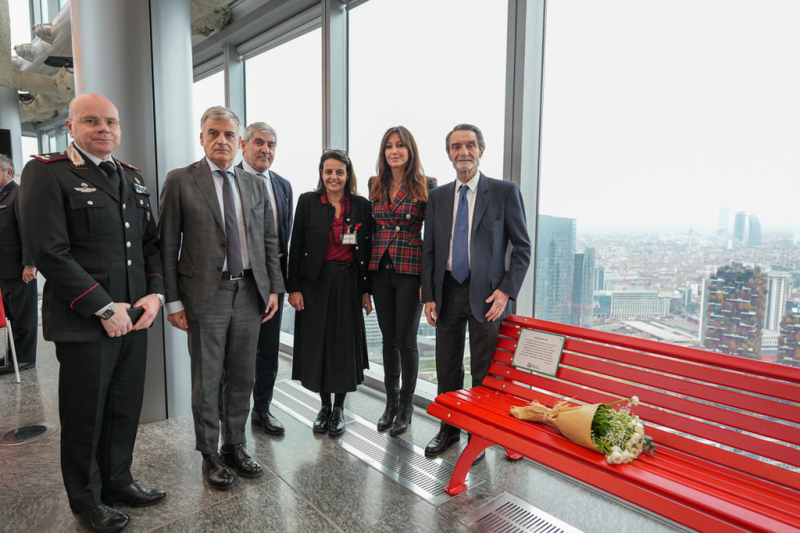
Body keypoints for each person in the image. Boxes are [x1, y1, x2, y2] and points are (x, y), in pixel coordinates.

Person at [20, 93, 166, 533]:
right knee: (86, 414)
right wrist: (103, 307)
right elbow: (50, 252)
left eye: (111, 122)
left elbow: (150, 246)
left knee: (124, 408)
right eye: (92, 121)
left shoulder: (133, 177)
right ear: (70, 127)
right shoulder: (48, 174)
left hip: (135, 318)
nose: (104, 129)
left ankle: (119, 481)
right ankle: (86, 500)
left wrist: (155, 296)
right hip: (87, 322)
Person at [159, 106, 284, 491]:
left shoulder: (255, 185)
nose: (222, 141)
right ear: (202, 138)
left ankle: (235, 445)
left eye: (229, 135)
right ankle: (209, 453)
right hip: (204, 296)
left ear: (240, 142)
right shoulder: (181, 181)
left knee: (242, 376)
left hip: (249, 291)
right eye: (213, 133)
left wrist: (274, 287)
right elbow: (166, 246)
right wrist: (173, 301)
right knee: (207, 379)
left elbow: (268, 242)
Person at [421, 124, 531, 462]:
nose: (463, 152)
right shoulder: (438, 197)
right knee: (447, 367)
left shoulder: (503, 192)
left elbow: (522, 248)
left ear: (481, 150)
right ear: (449, 153)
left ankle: (479, 434)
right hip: (448, 291)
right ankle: (449, 429)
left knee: (484, 372)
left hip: (488, 297)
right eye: (456, 147)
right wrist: (429, 295)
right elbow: (431, 249)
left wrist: (505, 292)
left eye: (470, 145)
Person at [287, 150, 372, 437]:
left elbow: (367, 251)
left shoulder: (360, 205)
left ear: (348, 175)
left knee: (342, 348)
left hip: (348, 283)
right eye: (328, 172)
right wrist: (294, 287)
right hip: (314, 283)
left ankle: (339, 409)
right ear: (321, 174)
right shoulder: (308, 202)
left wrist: (365, 291)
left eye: (339, 172)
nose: (333, 177)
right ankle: (324, 407)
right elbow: (295, 245)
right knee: (318, 346)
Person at [367, 126, 436, 435]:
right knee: (387, 339)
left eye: (400, 146)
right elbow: (368, 230)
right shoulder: (374, 184)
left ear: (410, 151)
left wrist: (428, 281)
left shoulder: (426, 184)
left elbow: (433, 236)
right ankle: (390, 402)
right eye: (389, 146)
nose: (394, 151)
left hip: (411, 269)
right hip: (380, 267)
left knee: (406, 340)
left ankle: (406, 405)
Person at [237, 122, 293, 436]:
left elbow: (283, 238)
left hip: (274, 282)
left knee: (268, 352)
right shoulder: (231, 180)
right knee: (238, 354)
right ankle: (233, 417)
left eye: (271, 144)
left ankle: (262, 410)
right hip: (241, 282)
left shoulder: (283, 185)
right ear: (243, 145)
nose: (265, 150)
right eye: (258, 142)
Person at [0, 154, 38, 375]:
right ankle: (13, 354)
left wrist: (30, 265)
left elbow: (28, 232)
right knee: (11, 316)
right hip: (4, 269)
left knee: (24, 316)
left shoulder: (18, 194)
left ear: (9, 172)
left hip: (19, 269)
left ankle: (24, 359)